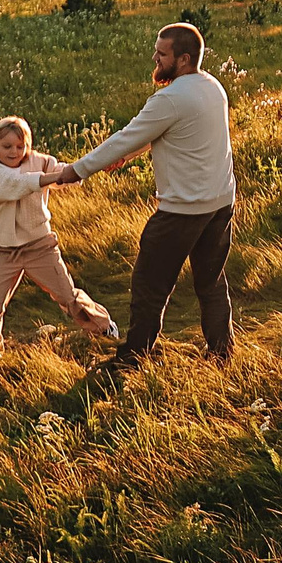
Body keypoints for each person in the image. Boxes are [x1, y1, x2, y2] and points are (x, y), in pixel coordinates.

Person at [49, 21, 238, 366]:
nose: (155, 58)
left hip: (182, 212)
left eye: (162, 53)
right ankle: (221, 355)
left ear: (183, 59)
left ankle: (133, 357)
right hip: (220, 204)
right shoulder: (212, 87)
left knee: (149, 286)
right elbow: (169, 133)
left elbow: (127, 135)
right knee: (211, 284)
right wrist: (128, 156)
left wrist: (76, 170)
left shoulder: (170, 99)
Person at [0, 115, 118, 351]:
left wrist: (95, 164)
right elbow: (17, 183)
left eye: (20, 146)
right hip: (3, 252)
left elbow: (68, 173)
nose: (14, 152)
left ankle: (104, 329)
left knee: (68, 297)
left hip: (39, 246)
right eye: (7, 146)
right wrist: (55, 177)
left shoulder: (39, 161)